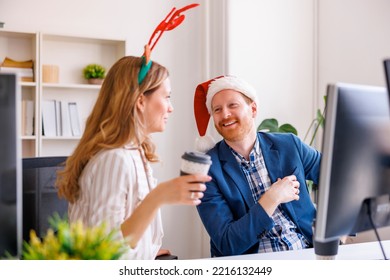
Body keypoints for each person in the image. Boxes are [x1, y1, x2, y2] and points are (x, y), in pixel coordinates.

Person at [56, 55, 210, 260]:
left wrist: (147, 251)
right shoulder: (115, 159)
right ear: (140, 101)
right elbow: (106, 251)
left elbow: (127, 233)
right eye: (166, 97)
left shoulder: (137, 153)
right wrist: (159, 196)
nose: (171, 107)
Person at [193, 75, 321, 257]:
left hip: (307, 256)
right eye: (217, 109)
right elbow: (228, 243)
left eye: (232, 105)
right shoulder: (205, 170)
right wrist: (272, 198)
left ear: (253, 109)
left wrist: (340, 227)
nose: (225, 114)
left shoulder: (289, 145)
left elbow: (336, 175)